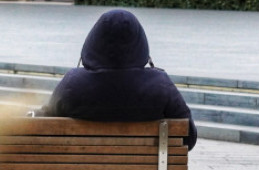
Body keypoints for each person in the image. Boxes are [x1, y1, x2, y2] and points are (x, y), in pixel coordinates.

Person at [35, 8, 197, 150]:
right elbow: (188, 137)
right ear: (140, 43)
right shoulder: (160, 84)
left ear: (93, 41)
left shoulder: (73, 83)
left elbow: (46, 127)